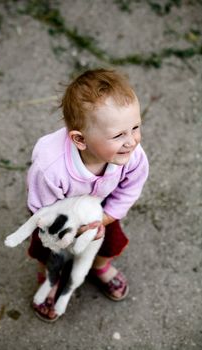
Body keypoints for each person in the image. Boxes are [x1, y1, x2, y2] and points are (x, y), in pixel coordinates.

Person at [27, 68, 149, 321]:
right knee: (48, 252)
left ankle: (99, 265)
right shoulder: (51, 168)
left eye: (135, 127)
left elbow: (129, 189)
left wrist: (104, 219)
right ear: (80, 140)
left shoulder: (131, 157)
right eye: (119, 135)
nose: (132, 141)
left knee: (110, 242)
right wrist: (68, 231)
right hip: (56, 217)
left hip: (100, 210)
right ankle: (50, 278)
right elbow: (42, 211)